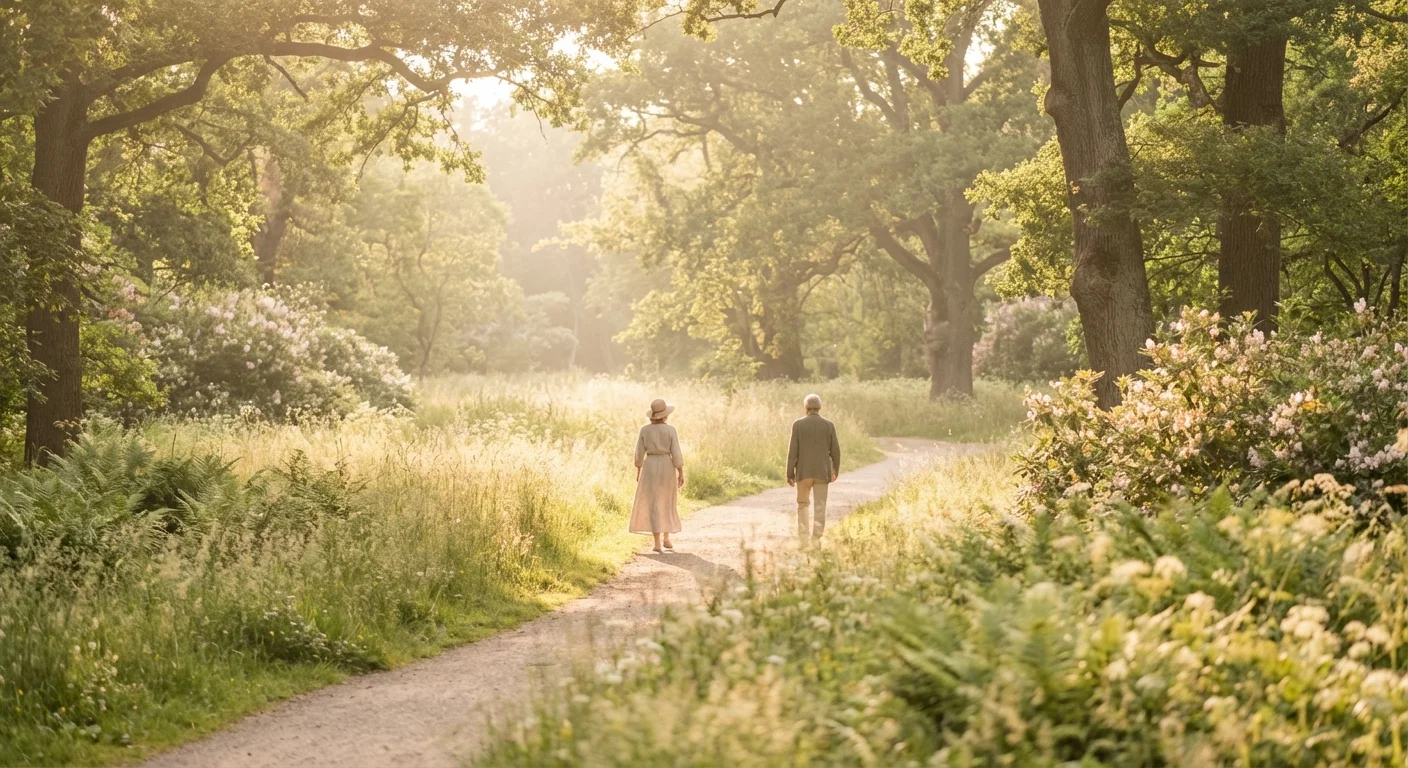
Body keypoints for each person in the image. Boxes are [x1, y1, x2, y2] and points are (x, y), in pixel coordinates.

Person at [629, 398, 685, 553]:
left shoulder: (644, 430)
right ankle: (666, 538)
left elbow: (639, 453)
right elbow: (676, 452)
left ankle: (657, 543)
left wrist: (639, 469)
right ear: (665, 415)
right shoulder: (670, 430)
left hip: (650, 466)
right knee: (667, 500)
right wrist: (680, 471)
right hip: (667, 465)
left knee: (653, 502)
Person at [786, 393, 841, 546]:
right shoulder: (829, 425)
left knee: (803, 504)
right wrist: (835, 469)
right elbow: (835, 450)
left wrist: (790, 472)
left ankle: (803, 539)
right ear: (820, 407)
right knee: (820, 505)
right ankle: (816, 539)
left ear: (806, 407)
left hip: (803, 473)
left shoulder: (798, 424)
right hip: (823, 473)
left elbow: (793, 452)